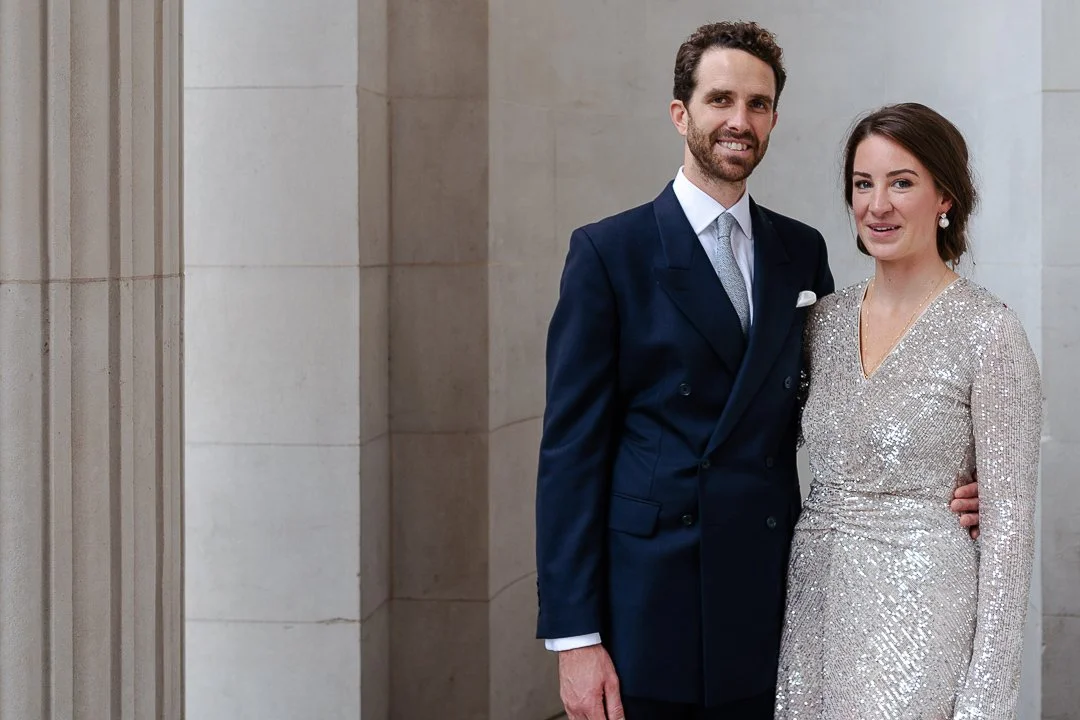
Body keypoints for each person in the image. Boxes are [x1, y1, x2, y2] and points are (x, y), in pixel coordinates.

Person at [535, 23, 982, 720]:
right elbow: (570, 455)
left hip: (773, 597)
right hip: (647, 604)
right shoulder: (608, 253)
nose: (739, 121)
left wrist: (942, 487)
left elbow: (846, 409)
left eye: (758, 103)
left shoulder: (799, 253)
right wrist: (574, 637)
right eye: (720, 100)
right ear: (681, 113)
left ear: (774, 117)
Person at [774, 102, 1042, 719]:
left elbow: (1008, 542)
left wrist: (985, 705)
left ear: (944, 196)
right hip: (813, 608)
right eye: (863, 184)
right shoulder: (822, 322)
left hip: (924, 619)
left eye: (902, 183)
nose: (878, 205)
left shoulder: (988, 332)